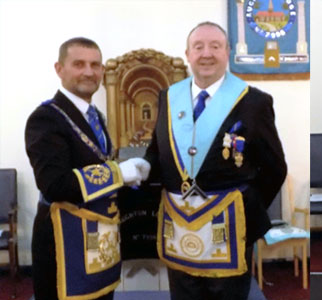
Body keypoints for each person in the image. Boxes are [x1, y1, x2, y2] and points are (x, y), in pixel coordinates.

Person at [141, 21, 287, 300]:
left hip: (229, 226)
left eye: (215, 46)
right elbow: (158, 150)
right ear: (187, 54)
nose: (206, 54)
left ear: (228, 52)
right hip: (179, 226)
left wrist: (245, 206)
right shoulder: (168, 97)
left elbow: (275, 167)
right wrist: (145, 165)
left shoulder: (253, 101)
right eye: (198, 47)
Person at [25, 37, 148, 300]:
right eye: (79, 64)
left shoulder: (96, 117)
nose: (89, 72)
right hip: (63, 243)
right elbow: (53, 184)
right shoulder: (46, 118)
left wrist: (125, 177)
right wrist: (117, 173)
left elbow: (95, 165)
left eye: (95, 65)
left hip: (98, 240)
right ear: (60, 69)